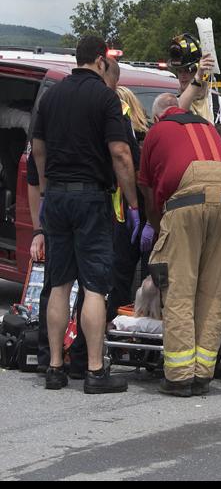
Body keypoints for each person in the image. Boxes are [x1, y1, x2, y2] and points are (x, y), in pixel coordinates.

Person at [30, 35, 140, 394]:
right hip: (91, 198)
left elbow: (39, 150)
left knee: (59, 283)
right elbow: (121, 153)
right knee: (95, 285)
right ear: (100, 61)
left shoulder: (51, 97)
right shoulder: (105, 97)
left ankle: (55, 368)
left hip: (58, 198)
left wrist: (48, 191)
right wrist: (133, 200)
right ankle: (94, 371)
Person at [137, 61, 221, 397]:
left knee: (179, 288)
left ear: (157, 117)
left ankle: (179, 376)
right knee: (213, 290)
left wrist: (154, 229)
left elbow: (149, 192)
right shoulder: (208, 128)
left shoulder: (157, 133)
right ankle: (203, 373)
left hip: (184, 204)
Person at [66, 51, 144, 379]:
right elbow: (126, 158)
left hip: (72, 202)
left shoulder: (70, 101)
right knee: (104, 285)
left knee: (70, 285)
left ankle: (66, 357)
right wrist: (136, 206)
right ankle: (95, 356)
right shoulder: (114, 108)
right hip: (112, 211)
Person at [168, 32, 221, 136]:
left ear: (198, 69)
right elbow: (179, 109)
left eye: (187, 70)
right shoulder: (175, 103)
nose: (182, 76)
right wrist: (198, 77)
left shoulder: (217, 103)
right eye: (179, 71)